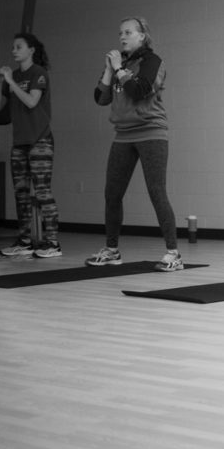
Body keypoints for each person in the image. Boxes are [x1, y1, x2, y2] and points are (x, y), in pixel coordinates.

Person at [85, 17, 183, 272]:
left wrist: (118, 69)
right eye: (120, 33)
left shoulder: (152, 61)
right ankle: (111, 250)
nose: (122, 37)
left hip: (151, 132)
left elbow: (139, 90)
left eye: (128, 32)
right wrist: (109, 70)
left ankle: (173, 254)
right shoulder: (120, 65)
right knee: (112, 193)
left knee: (156, 190)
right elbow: (100, 98)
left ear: (142, 36)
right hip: (123, 135)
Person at [0, 32, 61, 258]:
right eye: (13, 47)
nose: (14, 50)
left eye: (18, 46)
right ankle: (25, 240)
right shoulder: (13, 77)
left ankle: (52, 242)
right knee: (20, 193)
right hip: (19, 142)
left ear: (31, 50)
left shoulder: (38, 73)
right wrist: (0, 82)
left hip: (40, 140)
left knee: (41, 191)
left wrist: (11, 82)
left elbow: (32, 101)